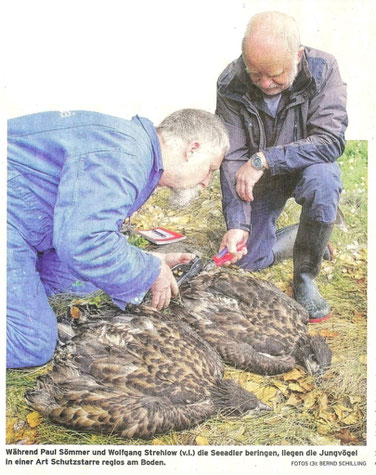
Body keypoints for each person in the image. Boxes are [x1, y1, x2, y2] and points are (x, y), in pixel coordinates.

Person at [7, 108, 229, 368]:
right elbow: (85, 243)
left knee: (84, 282)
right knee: (30, 342)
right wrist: (150, 271)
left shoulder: (136, 150)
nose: (206, 181)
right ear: (192, 149)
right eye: (211, 168)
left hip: (30, 221)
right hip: (12, 220)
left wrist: (149, 258)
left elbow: (90, 227)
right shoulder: (125, 156)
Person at [216, 11, 347, 323]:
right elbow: (232, 156)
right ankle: (307, 234)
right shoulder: (231, 81)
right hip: (259, 179)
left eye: (275, 74)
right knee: (251, 261)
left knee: (324, 180)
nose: (264, 83)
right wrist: (237, 223)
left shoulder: (323, 69)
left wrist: (266, 159)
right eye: (255, 74)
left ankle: (305, 276)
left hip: (307, 169)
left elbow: (330, 140)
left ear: (298, 56)